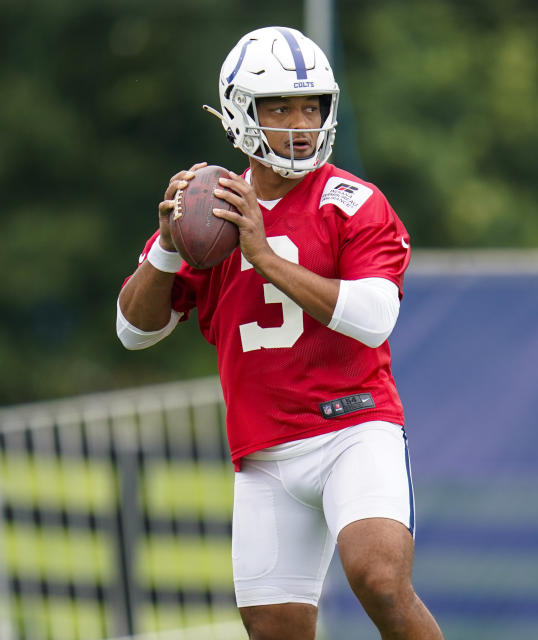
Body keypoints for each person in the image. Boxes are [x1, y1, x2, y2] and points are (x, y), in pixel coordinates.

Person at [116, 26, 443, 640]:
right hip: (264, 451)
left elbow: (374, 317)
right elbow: (133, 332)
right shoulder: (210, 209)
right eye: (281, 107)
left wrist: (265, 257)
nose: (301, 122)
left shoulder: (353, 202)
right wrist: (165, 249)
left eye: (311, 105)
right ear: (241, 113)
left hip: (353, 427)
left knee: (378, 578)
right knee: (276, 631)